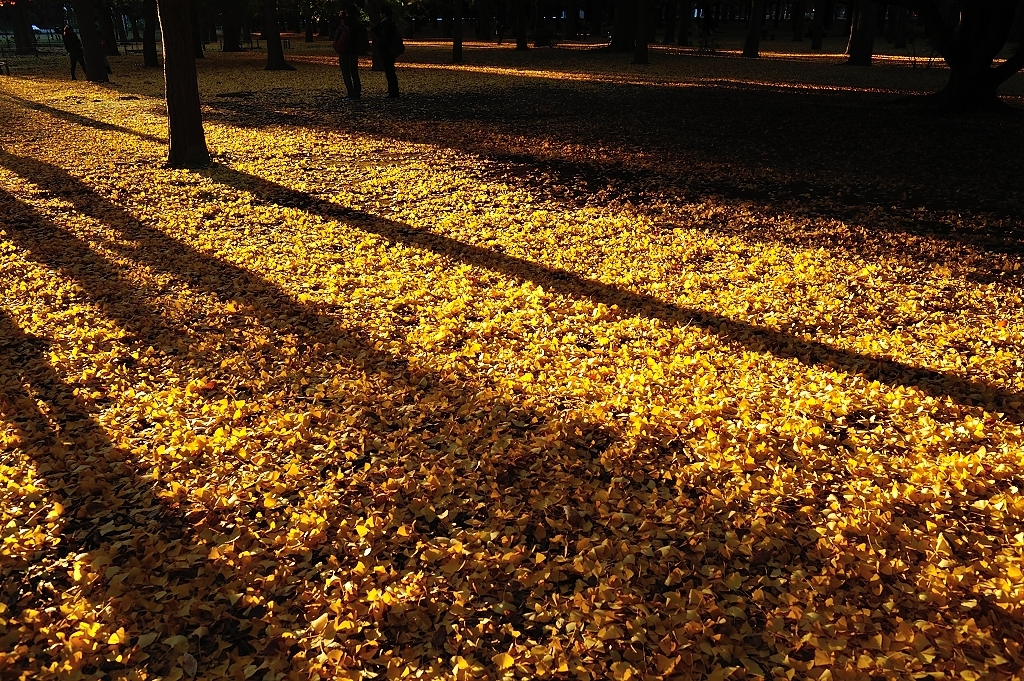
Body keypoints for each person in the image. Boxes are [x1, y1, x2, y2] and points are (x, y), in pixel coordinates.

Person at [371, 5, 400, 98]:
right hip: (389, 51)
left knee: (390, 72)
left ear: (384, 14)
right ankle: (393, 92)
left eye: (381, 13)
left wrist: (382, 47)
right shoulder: (389, 24)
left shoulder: (387, 25)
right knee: (390, 71)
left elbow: (384, 38)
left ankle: (393, 93)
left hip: (387, 51)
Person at [335, 7, 362, 99]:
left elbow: (334, 28)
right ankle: (357, 92)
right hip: (354, 51)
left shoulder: (344, 22)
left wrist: (341, 17)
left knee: (346, 73)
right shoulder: (357, 24)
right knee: (354, 72)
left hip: (344, 50)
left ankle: (351, 92)